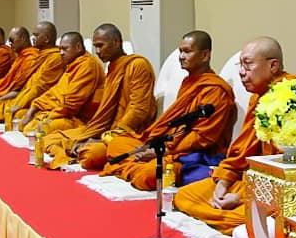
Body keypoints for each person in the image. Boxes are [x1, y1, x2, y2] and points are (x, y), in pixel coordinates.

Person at [173, 36, 296, 234]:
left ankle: (246, 220)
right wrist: (223, 184)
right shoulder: (259, 98)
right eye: (240, 65)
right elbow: (241, 153)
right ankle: (239, 217)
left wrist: (243, 198)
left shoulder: (294, 97)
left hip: (277, 190)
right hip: (249, 182)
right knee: (185, 196)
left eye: (248, 64)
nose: (241, 72)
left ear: (273, 66)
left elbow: (291, 169)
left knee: (256, 218)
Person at [98, 31, 235, 189]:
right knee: (118, 143)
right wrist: (155, 146)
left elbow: (202, 137)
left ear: (205, 55)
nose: (181, 56)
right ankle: (135, 168)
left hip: (190, 154)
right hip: (168, 145)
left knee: (148, 174)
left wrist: (164, 151)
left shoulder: (215, 90)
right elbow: (177, 125)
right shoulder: (188, 82)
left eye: (187, 51)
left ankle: (131, 169)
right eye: (180, 51)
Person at [43, 24, 157, 170]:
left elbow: (139, 110)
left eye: (100, 46)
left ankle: (76, 150)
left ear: (116, 42)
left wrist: (107, 136)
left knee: (90, 154)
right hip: (105, 130)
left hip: (128, 133)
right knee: (48, 139)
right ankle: (75, 150)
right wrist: (94, 134)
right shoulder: (112, 68)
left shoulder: (138, 65)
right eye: (95, 46)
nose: (97, 51)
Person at [15, 31, 104, 135]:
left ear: (78, 47)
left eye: (65, 49)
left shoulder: (87, 66)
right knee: (21, 115)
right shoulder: (72, 64)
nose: (61, 53)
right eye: (60, 49)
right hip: (60, 111)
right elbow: (55, 91)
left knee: (37, 128)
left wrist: (49, 116)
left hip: (79, 119)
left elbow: (72, 104)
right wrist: (34, 107)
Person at [0, 22, 64, 122]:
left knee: (11, 113)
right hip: (25, 97)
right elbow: (24, 86)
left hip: (40, 101)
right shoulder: (39, 56)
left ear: (46, 39)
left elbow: (39, 88)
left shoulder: (55, 58)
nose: (33, 38)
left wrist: (17, 105)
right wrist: (0, 98)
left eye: (36, 35)